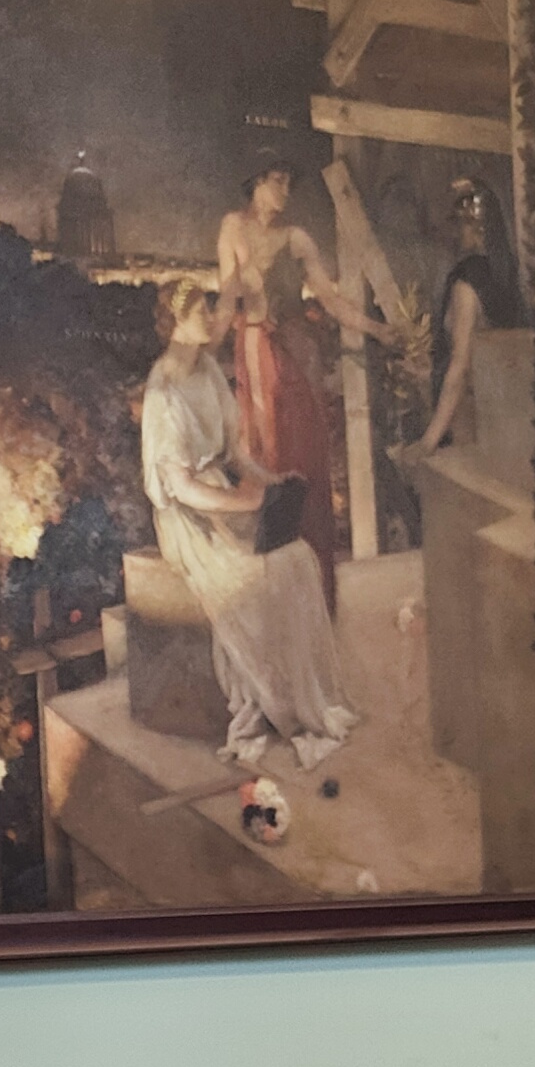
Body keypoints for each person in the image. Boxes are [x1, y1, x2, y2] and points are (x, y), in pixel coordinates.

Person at [141, 276, 355, 771]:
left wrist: (272, 481)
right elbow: (183, 489)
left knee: (297, 559)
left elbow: (236, 455)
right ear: (176, 323)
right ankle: (272, 706)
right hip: (189, 520)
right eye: (200, 312)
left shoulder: (207, 372)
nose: (210, 318)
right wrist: (245, 503)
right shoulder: (163, 392)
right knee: (257, 578)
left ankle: (304, 700)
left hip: (225, 498)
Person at [215, 161, 388, 615]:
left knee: (304, 459)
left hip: (297, 358)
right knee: (266, 457)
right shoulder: (233, 226)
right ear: (256, 183)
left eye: (289, 182)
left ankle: (312, 595)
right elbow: (229, 297)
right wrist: (198, 351)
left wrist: (378, 329)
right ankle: (276, 596)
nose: (285, 190)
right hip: (257, 354)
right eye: (278, 181)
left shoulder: (297, 239)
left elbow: (330, 300)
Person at [419, 170, 527, 452]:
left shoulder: (467, 281)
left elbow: (460, 364)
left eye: (459, 224)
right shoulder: (505, 276)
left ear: (476, 227)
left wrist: (427, 442)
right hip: (506, 413)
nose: (454, 233)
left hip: (470, 417)